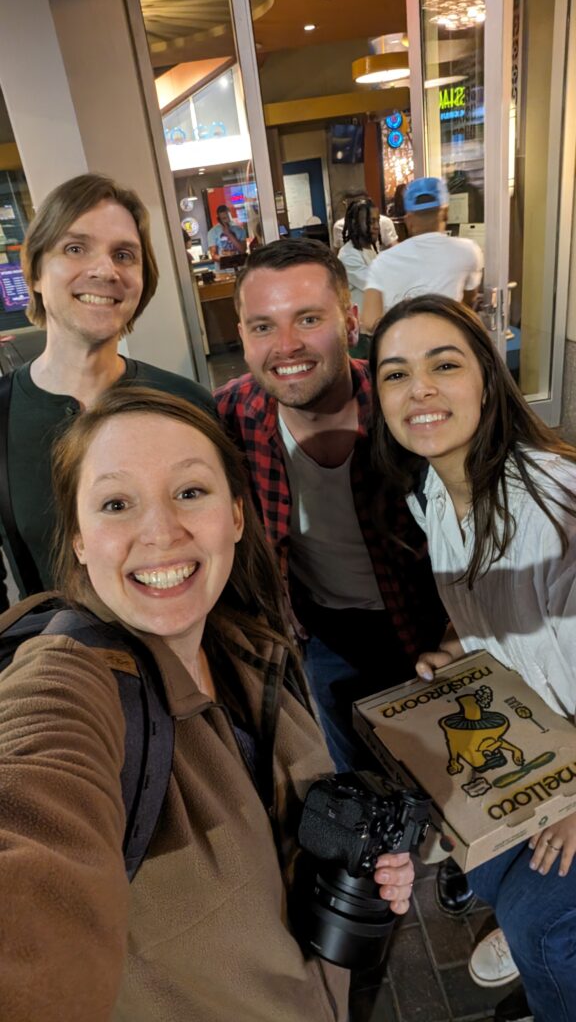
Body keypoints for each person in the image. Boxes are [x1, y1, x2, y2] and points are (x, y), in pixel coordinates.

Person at [0, 385, 415, 1021]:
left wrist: (349, 864)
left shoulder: (252, 650)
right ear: (80, 541)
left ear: (238, 516)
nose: (161, 532)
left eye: (190, 491)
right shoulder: (69, 684)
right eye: (116, 504)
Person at [370, 293, 576, 1022]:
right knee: (483, 867)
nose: (419, 389)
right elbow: (503, 608)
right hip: (545, 737)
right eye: (396, 374)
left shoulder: (554, 507)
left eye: (445, 365)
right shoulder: (434, 493)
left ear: (488, 379)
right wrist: (464, 645)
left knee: (535, 922)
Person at [215, 239, 446, 772]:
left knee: (447, 770)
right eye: (263, 326)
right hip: (318, 632)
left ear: (351, 322)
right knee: (356, 776)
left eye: (308, 318)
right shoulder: (231, 415)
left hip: (430, 624)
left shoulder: (406, 405)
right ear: (242, 337)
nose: (286, 346)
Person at [0, 172, 215, 610]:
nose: (105, 270)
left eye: (123, 255)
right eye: (75, 248)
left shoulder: (188, 403)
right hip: (55, 646)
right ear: (35, 272)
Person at [361, 177, 483, 334]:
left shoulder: (382, 261)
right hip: (448, 342)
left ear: (408, 220)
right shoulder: (468, 251)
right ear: (445, 213)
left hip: (401, 345)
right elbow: (468, 302)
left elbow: (370, 321)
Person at [337, 197, 380, 358]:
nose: (376, 226)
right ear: (355, 224)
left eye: (377, 221)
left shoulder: (370, 248)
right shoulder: (348, 255)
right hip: (360, 335)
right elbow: (377, 284)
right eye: (370, 222)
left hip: (374, 330)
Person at [332, 189, 397, 252]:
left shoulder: (384, 222)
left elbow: (395, 249)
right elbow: (337, 252)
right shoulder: (339, 226)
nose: (376, 226)